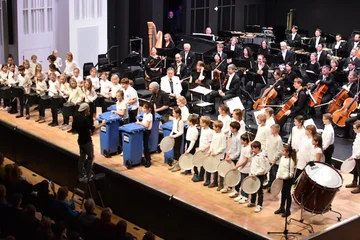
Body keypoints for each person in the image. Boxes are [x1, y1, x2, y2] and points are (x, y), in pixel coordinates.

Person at [72, 103, 106, 182]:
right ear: (85, 110)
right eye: (88, 109)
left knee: (82, 157)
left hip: (80, 139)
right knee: (91, 157)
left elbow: (75, 128)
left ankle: (80, 175)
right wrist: (102, 124)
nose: (89, 110)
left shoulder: (76, 117)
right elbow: (94, 129)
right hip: (87, 141)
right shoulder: (85, 119)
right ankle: (88, 175)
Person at [274, 144, 296, 217]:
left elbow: (291, 173)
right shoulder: (282, 158)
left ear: (288, 152)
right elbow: (280, 168)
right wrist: (278, 176)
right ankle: (281, 207)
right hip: (281, 178)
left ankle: (288, 210)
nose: (282, 152)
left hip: (287, 180)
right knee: (282, 193)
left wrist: (283, 177)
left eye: (283, 151)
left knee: (287, 194)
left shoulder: (291, 161)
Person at [247, 141, 269, 213]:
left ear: (257, 148)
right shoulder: (254, 155)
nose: (252, 150)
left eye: (253, 148)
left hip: (259, 176)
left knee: (259, 191)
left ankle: (259, 205)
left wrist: (256, 173)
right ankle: (252, 202)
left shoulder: (261, 157)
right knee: (253, 188)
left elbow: (262, 169)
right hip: (253, 175)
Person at [231, 133, 252, 203]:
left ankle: (245, 196)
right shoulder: (243, 147)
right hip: (241, 167)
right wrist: (238, 163)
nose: (240, 141)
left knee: (244, 182)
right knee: (240, 181)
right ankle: (240, 194)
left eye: (241, 140)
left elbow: (245, 160)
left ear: (245, 141)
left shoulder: (248, 149)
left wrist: (237, 166)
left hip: (245, 168)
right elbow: (241, 157)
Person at [222, 122, 241, 193]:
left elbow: (239, 151)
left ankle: (236, 190)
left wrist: (231, 157)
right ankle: (228, 186)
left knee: (235, 174)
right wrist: (228, 152)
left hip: (236, 159)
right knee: (229, 172)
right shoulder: (233, 135)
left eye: (231, 128)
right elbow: (233, 147)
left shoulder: (239, 138)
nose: (230, 129)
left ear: (235, 129)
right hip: (232, 156)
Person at [207, 120, 226, 188]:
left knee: (220, 170)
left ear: (218, 127)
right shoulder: (214, 134)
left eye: (214, 126)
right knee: (214, 168)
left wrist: (216, 152)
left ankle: (221, 184)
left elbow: (223, 147)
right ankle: (214, 182)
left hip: (219, 155)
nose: (213, 127)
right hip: (213, 154)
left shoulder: (222, 135)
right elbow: (212, 143)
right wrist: (210, 150)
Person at [194, 116, 213, 183]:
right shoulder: (202, 129)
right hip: (201, 149)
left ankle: (207, 179)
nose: (200, 124)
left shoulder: (210, 132)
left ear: (205, 123)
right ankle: (201, 176)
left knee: (206, 164)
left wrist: (205, 148)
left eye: (201, 123)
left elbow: (211, 143)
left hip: (206, 150)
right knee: (202, 163)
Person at [265, 124, 283, 192]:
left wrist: (274, 159)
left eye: (272, 129)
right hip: (269, 158)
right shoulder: (270, 137)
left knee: (274, 173)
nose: (271, 130)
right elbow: (267, 147)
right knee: (270, 173)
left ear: (276, 130)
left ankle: (274, 187)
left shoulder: (279, 139)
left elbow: (279, 151)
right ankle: (270, 185)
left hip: (275, 161)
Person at [136, 102, 153, 168]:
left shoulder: (150, 115)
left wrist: (139, 123)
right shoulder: (145, 114)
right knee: (144, 145)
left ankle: (148, 160)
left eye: (144, 108)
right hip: (143, 131)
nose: (143, 109)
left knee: (146, 146)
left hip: (147, 131)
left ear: (149, 109)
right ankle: (145, 158)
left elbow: (146, 125)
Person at [168, 107, 184, 172]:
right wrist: (171, 134)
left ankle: (178, 165)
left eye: (174, 113)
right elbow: (173, 128)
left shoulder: (180, 121)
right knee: (174, 150)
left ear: (177, 114)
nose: (172, 114)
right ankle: (174, 164)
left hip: (178, 137)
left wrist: (174, 136)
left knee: (177, 151)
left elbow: (181, 132)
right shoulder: (174, 119)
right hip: (174, 135)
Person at [347, 120, 360, 193]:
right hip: (356, 156)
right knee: (355, 170)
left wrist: (355, 155)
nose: (353, 129)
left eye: (355, 128)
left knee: (359, 171)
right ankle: (354, 182)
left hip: (359, 156)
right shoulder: (358, 134)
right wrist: (353, 154)